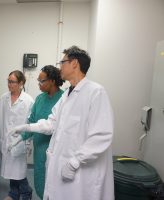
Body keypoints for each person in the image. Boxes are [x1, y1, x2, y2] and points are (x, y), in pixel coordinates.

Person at [10, 46, 114, 200]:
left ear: (74, 63)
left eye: (62, 62)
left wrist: (74, 162)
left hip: (81, 170)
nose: (60, 66)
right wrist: (27, 127)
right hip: (62, 164)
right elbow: (51, 123)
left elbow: (102, 135)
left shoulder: (95, 92)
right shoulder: (67, 94)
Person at [9, 65, 64, 199]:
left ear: (52, 81)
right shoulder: (39, 99)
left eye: (41, 81)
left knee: (54, 187)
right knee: (40, 182)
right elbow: (32, 122)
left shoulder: (64, 99)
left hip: (56, 151)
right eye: (38, 81)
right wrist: (21, 138)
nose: (38, 84)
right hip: (39, 150)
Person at [0, 70, 34, 200]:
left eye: (12, 82)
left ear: (21, 83)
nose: (9, 84)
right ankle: (13, 194)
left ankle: (26, 192)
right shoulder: (4, 97)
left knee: (18, 172)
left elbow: (31, 123)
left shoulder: (28, 101)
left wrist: (27, 142)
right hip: (6, 140)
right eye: (8, 81)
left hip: (19, 141)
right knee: (10, 170)